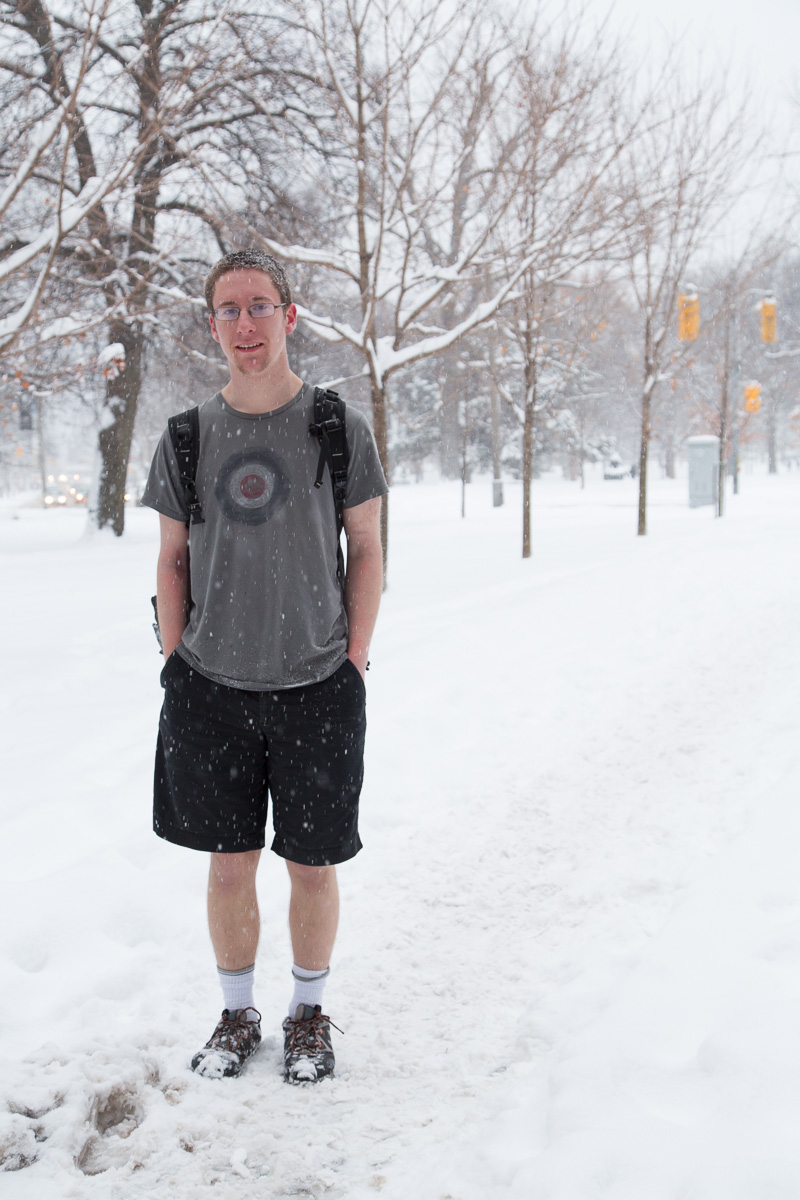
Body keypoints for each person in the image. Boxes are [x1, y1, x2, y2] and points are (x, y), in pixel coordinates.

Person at [141, 249, 387, 1083]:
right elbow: (170, 561)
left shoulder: (335, 425)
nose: (244, 325)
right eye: (228, 310)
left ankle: (308, 1015)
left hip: (318, 685)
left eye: (258, 306)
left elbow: (369, 548)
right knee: (228, 862)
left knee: (311, 864)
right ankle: (238, 1011)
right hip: (212, 688)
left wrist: (352, 659)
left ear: (290, 315)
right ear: (212, 325)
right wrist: (177, 663)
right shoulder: (186, 436)